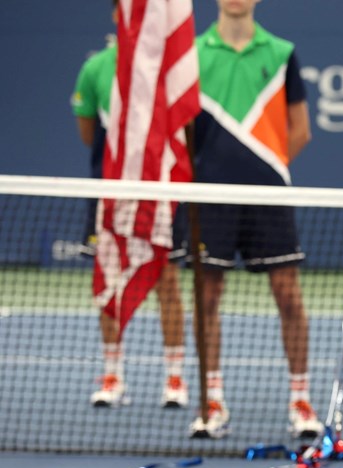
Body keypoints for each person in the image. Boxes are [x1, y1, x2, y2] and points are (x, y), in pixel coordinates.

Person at [183, 0, 320, 439]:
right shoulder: (192, 54)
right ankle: (212, 401)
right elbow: (180, 128)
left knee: (288, 296)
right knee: (206, 298)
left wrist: (266, 167)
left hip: (267, 194)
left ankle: (301, 400)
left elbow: (300, 131)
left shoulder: (281, 52)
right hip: (209, 196)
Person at [72, 0, 187, 410]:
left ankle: (175, 378)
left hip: (162, 195)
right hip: (113, 193)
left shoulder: (167, 68)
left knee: (169, 283)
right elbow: (90, 131)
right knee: (109, 277)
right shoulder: (96, 67)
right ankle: (112, 373)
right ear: (118, 14)